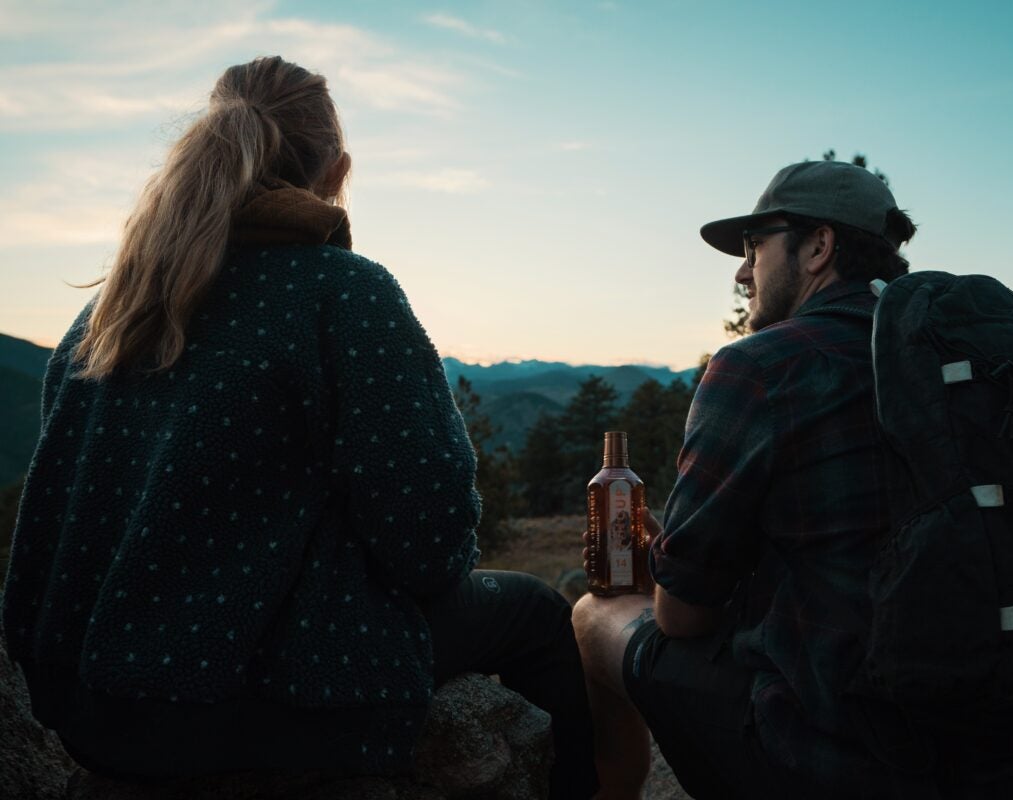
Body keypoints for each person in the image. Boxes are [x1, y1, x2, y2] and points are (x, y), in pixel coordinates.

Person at [2, 56, 596, 799]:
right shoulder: (344, 293)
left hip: (95, 709)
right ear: (336, 171)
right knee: (539, 611)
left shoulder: (104, 315)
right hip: (276, 698)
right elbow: (429, 545)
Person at [573, 160, 944, 798]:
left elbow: (683, 617)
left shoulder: (762, 365)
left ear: (819, 247)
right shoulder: (956, 359)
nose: (743, 272)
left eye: (754, 248)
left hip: (833, 747)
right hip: (1000, 735)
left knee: (591, 613)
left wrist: (669, 563)